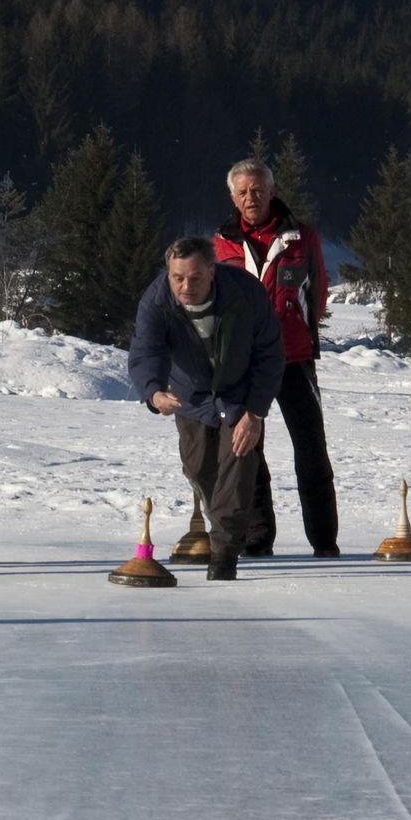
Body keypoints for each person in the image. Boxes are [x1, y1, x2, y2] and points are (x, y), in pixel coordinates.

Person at [127, 238, 283, 580]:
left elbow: (270, 354)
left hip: (239, 393)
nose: (186, 286)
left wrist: (255, 412)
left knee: (238, 461)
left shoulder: (245, 292)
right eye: (177, 278)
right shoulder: (156, 300)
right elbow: (145, 351)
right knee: (198, 468)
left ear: (212, 271)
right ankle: (232, 527)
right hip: (191, 397)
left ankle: (224, 554)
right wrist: (153, 393)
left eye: (195, 277)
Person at [214, 159, 339, 557]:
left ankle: (324, 540)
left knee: (311, 448)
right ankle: (257, 538)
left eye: (258, 190)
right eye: (243, 192)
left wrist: (296, 328)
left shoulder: (302, 237)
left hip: (294, 359)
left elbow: (317, 294)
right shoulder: (221, 243)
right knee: (247, 450)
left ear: (271, 191)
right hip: (244, 364)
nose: (251, 197)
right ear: (233, 197)